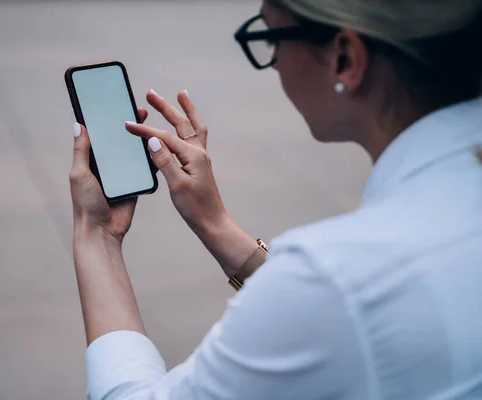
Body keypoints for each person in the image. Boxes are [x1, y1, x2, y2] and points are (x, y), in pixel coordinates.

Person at [69, 0, 482, 398]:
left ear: (345, 58)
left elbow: (334, 302)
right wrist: (214, 223)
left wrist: (97, 236)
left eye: (272, 37)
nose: (276, 61)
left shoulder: (333, 276)